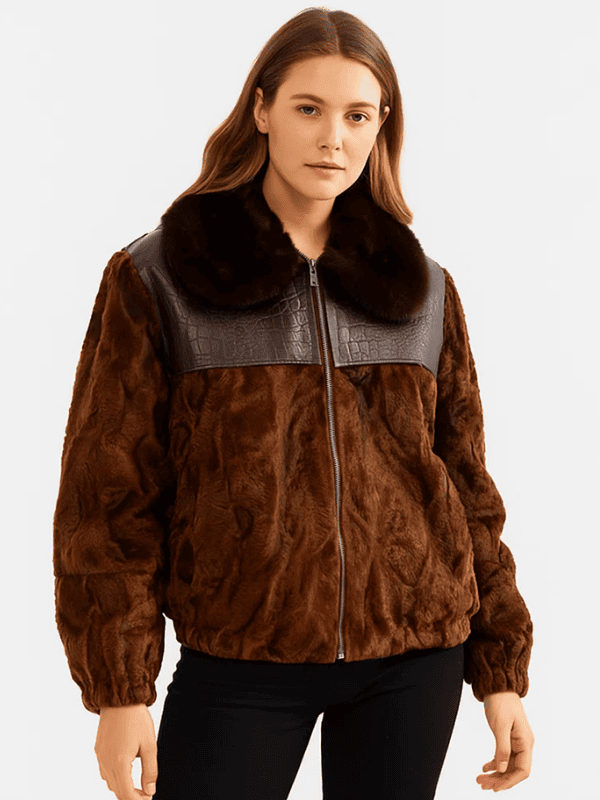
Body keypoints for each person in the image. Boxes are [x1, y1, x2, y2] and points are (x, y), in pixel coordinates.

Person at [53, 7, 535, 800]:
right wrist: (119, 689)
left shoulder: (423, 290)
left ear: (382, 126)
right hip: (242, 661)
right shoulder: (160, 277)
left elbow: (466, 486)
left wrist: (500, 669)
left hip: (415, 658)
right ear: (262, 109)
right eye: (309, 108)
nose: (333, 138)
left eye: (358, 115)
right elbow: (107, 497)